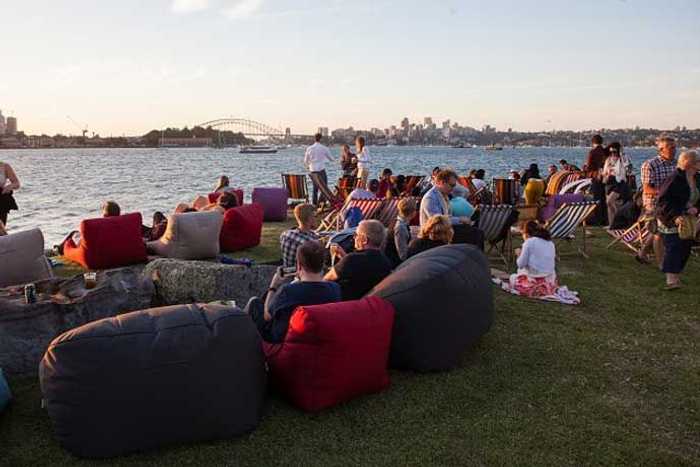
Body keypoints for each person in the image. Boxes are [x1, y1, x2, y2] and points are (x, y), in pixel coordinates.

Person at [246, 240, 341, 343]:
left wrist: (273, 286)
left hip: (280, 340)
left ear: (299, 265)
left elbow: (267, 316)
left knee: (254, 303)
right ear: (323, 264)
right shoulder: (334, 289)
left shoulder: (288, 291)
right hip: (314, 338)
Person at [656, 151, 698, 290]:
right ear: (689, 164)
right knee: (674, 246)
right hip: (672, 217)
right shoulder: (674, 179)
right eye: (697, 162)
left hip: (689, 218)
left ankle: (675, 275)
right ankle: (671, 279)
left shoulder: (696, 178)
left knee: (685, 246)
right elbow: (663, 201)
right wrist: (675, 216)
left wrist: (695, 208)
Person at [324, 219, 393, 301]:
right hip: (364, 303)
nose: (354, 238)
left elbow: (325, 280)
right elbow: (361, 267)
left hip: (342, 303)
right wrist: (343, 257)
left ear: (364, 240)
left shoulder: (351, 260)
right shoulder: (385, 262)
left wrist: (344, 260)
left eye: (356, 234)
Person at [637, 135, 678, 265]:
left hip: (670, 202)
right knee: (659, 233)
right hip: (653, 203)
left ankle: (642, 253)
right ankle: (662, 264)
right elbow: (647, 188)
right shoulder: (650, 165)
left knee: (659, 230)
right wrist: (666, 192)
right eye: (671, 148)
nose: (674, 150)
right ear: (661, 149)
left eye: (675, 147)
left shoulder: (676, 164)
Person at [420, 169, 483, 248]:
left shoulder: (443, 195)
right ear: (442, 182)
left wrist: (462, 220)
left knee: (474, 231)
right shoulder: (430, 198)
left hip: (443, 230)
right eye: (451, 185)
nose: (453, 188)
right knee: (475, 233)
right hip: (432, 234)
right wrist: (460, 220)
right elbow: (437, 221)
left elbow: (446, 217)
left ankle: (472, 256)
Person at [509, 221, 558, 298]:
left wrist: (519, 254)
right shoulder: (550, 242)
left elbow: (520, 264)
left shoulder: (529, 242)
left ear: (526, 234)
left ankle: (535, 288)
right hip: (550, 283)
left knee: (512, 277)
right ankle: (544, 288)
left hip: (534, 282)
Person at [279, 203, 320, 268]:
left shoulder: (285, 234)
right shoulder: (311, 243)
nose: (317, 218)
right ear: (309, 219)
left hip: (286, 272)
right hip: (303, 275)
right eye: (315, 216)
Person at [603, 142, 630, 226]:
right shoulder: (608, 160)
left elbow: (629, 170)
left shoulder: (623, 159)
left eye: (614, 152)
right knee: (611, 205)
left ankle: (618, 221)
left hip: (619, 182)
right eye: (611, 152)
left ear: (618, 151)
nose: (613, 154)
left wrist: (622, 155)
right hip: (609, 182)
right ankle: (612, 224)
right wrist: (608, 172)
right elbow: (604, 172)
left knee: (609, 201)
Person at [304, 133, 334, 205]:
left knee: (315, 188)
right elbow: (331, 159)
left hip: (313, 170)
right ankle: (321, 202)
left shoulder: (309, 148)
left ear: (314, 139)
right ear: (321, 139)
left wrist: (309, 166)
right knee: (324, 187)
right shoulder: (324, 148)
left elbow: (305, 161)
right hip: (320, 169)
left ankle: (314, 204)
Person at [385, 197, 416, 266]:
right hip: (394, 264)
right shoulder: (400, 228)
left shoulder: (397, 221)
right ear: (413, 212)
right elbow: (403, 255)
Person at [0, 161, 20, 226]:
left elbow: (16, 183)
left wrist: (8, 187)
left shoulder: (5, 166)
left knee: (1, 231)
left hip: (1, 202)